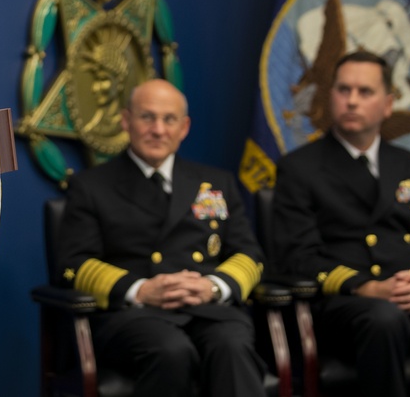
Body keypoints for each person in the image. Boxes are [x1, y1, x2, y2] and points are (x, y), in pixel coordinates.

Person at [273, 50, 410, 397]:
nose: (352, 101)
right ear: (330, 96)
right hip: (346, 305)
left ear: (388, 104)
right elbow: (297, 256)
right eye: (343, 90)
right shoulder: (300, 168)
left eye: (365, 92)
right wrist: (365, 287)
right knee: (383, 318)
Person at [56, 79, 266, 396]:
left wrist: (212, 286)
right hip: (133, 316)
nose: (158, 129)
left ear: (184, 127)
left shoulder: (215, 182)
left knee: (232, 344)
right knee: (171, 351)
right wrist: (142, 290)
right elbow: (73, 264)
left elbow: (249, 255)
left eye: (169, 120)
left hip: (207, 307)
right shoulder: (91, 186)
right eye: (147, 117)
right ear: (126, 121)